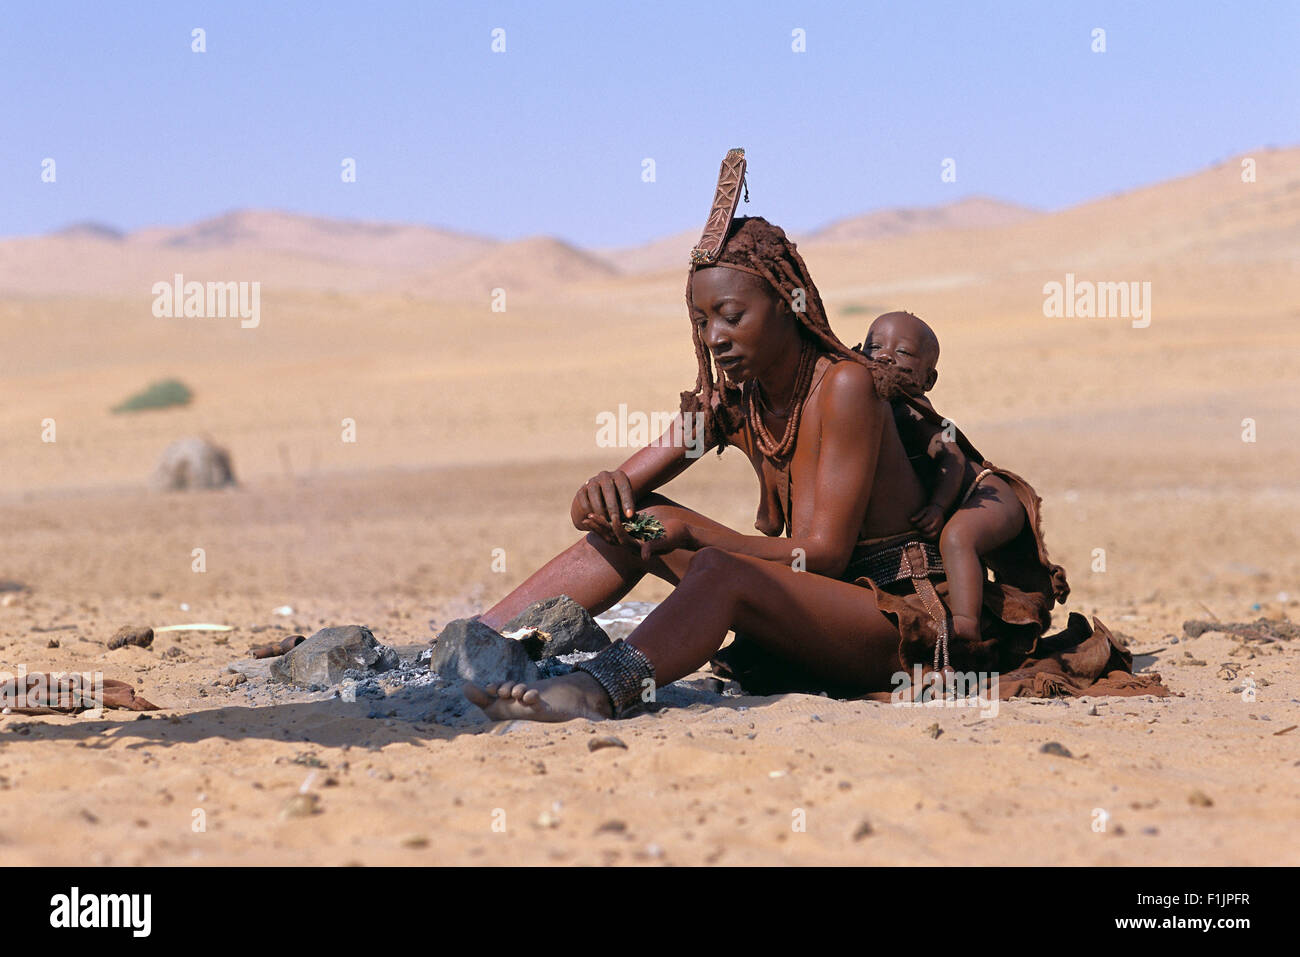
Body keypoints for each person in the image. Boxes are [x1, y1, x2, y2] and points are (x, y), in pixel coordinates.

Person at [463, 148, 936, 721]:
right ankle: (478, 645)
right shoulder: (736, 402)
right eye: (701, 322)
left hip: (892, 626)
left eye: (732, 316)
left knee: (717, 567)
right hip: (808, 615)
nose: (715, 337)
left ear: (789, 306)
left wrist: (693, 530)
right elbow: (604, 503)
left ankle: (595, 692)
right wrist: (601, 495)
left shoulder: (845, 387)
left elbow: (825, 557)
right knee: (638, 524)